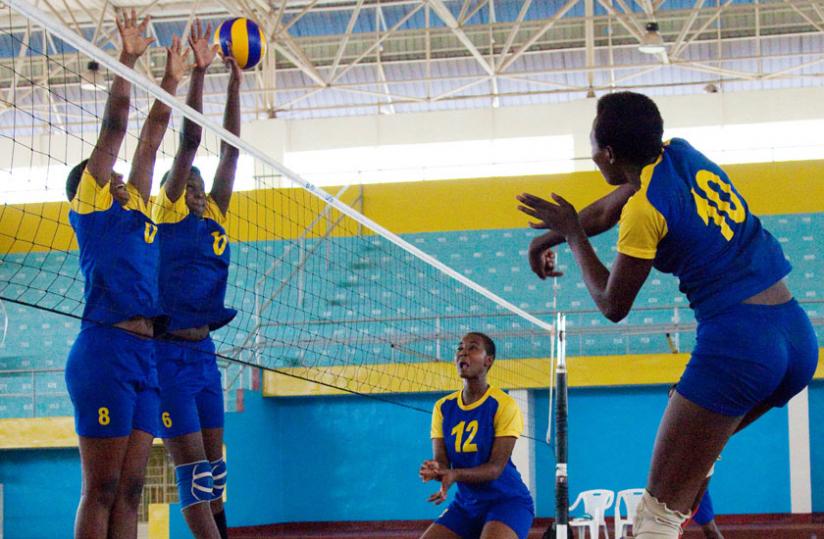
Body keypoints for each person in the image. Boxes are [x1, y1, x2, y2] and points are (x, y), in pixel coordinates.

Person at [516, 91, 818, 538]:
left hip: (740, 346)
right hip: (796, 337)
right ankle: (701, 465)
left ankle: (687, 484)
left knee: (657, 516)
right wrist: (551, 238)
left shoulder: (645, 210)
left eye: (592, 144)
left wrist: (574, 236)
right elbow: (604, 209)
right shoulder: (681, 154)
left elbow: (612, 305)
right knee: (688, 433)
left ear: (608, 154)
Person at [64, 11, 187, 537]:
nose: (118, 175)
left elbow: (152, 138)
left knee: (133, 490)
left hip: (145, 353)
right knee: (103, 488)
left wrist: (172, 79)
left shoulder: (135, 206)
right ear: (86, 186)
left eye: (117, 175)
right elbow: (116, 128)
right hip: (105, 351)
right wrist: (129, 59)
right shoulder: (92, 207)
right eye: (106, 174)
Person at [152, 21, 242, 539]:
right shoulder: (166, 215)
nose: (196, 183)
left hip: (204, 354)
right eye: (186, 179)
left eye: (199, 181)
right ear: (170, 189)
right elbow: (192, 141)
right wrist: (199, 75)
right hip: (167, 356)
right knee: (193, 475)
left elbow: (229, 151)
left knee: (216, 474)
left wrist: (235, 78)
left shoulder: (215, 216)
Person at [419, 333, 535, 539]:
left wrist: (454, 475)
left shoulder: (503, 404)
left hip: (507, 501)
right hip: (466, 504)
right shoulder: (443, 407)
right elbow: (442, 461)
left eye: (472, 348)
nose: (463, 352)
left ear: (488, 361)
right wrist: (436, 469)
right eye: (460, 348)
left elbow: (495, 469)